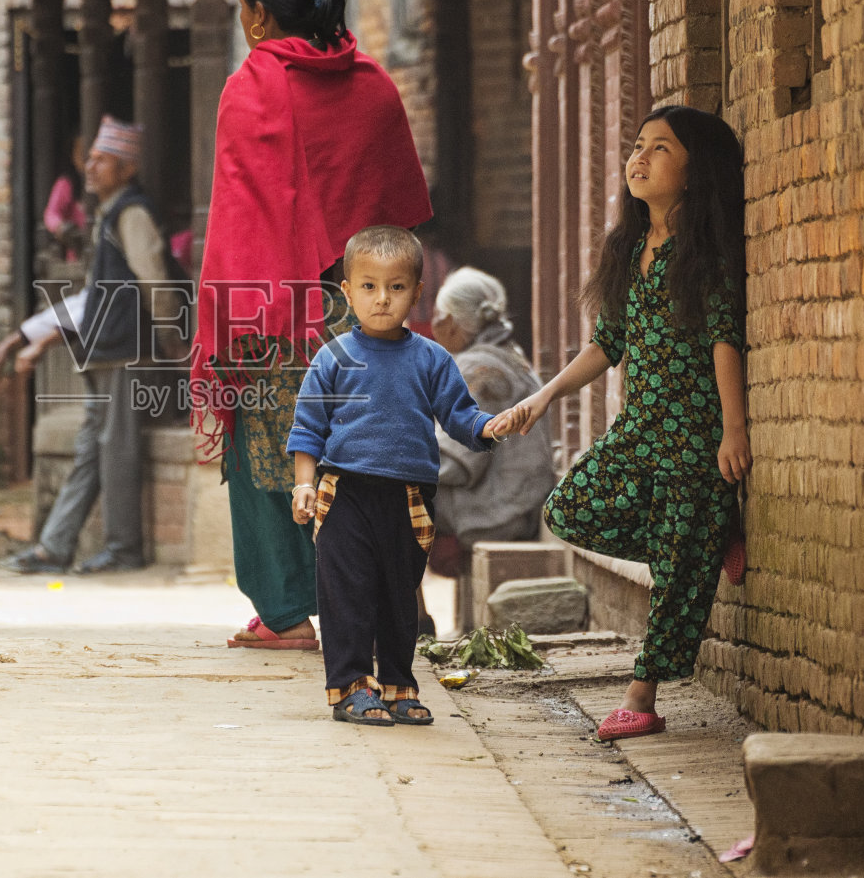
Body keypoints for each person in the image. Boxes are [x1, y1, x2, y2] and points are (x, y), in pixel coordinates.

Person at [192, 0, 433, 650]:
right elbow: (400, 215)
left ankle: (288, 612)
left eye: (244, 9)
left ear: (259, 13)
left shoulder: (253, 86)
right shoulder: (375, 86)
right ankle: (382, 605)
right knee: (361, 455)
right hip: (365, 308)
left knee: (268, 458)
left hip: (276, 311)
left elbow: (243, 215)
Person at [494, 105, 751, 743]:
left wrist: (733, 431)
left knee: (673, 572)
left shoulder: (704, 252)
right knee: (571, 509)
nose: (638, 158)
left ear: (694, 173)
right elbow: (608, 343)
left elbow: (724, 342)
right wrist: (545, 396)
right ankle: (703, 542)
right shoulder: (632, 247)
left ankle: (644, 696)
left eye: (660, 149)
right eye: (638, 146)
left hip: (695, 438)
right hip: (642, 429)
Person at [287, 227, 506, 727]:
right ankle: (351, 688)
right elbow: (308, 430)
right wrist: (305, 484)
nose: (382, 299)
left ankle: (399, 686)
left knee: (399, 595)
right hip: (343, 493)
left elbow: (460, 417)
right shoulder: (332, 358)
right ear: (346, 291)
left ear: (417, 291)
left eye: (396, 287)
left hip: (409, 497)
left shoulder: (431, 358)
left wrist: (490, 426)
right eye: (368, 286)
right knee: (347, 592)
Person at [0, 116, 184, 575]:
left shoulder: (132, 213)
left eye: (102, 160)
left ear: (126, 168)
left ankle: (123, 548)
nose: (90, 167)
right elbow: (95, 297)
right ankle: (54, 546)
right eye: (91, 158)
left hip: (128, 352)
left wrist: (173, 342)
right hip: (105, 351)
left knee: (116, 450)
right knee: (91, 451)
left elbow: (155, 278)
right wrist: (35, 339)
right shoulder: (110, 215)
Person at [428, 266, 557, 591]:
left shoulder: (477, 367)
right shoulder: (509, 357)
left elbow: (458, 463)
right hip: (520, 504)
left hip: (501, 510)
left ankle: (415, 618)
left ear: (448, 321)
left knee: (389, 497)